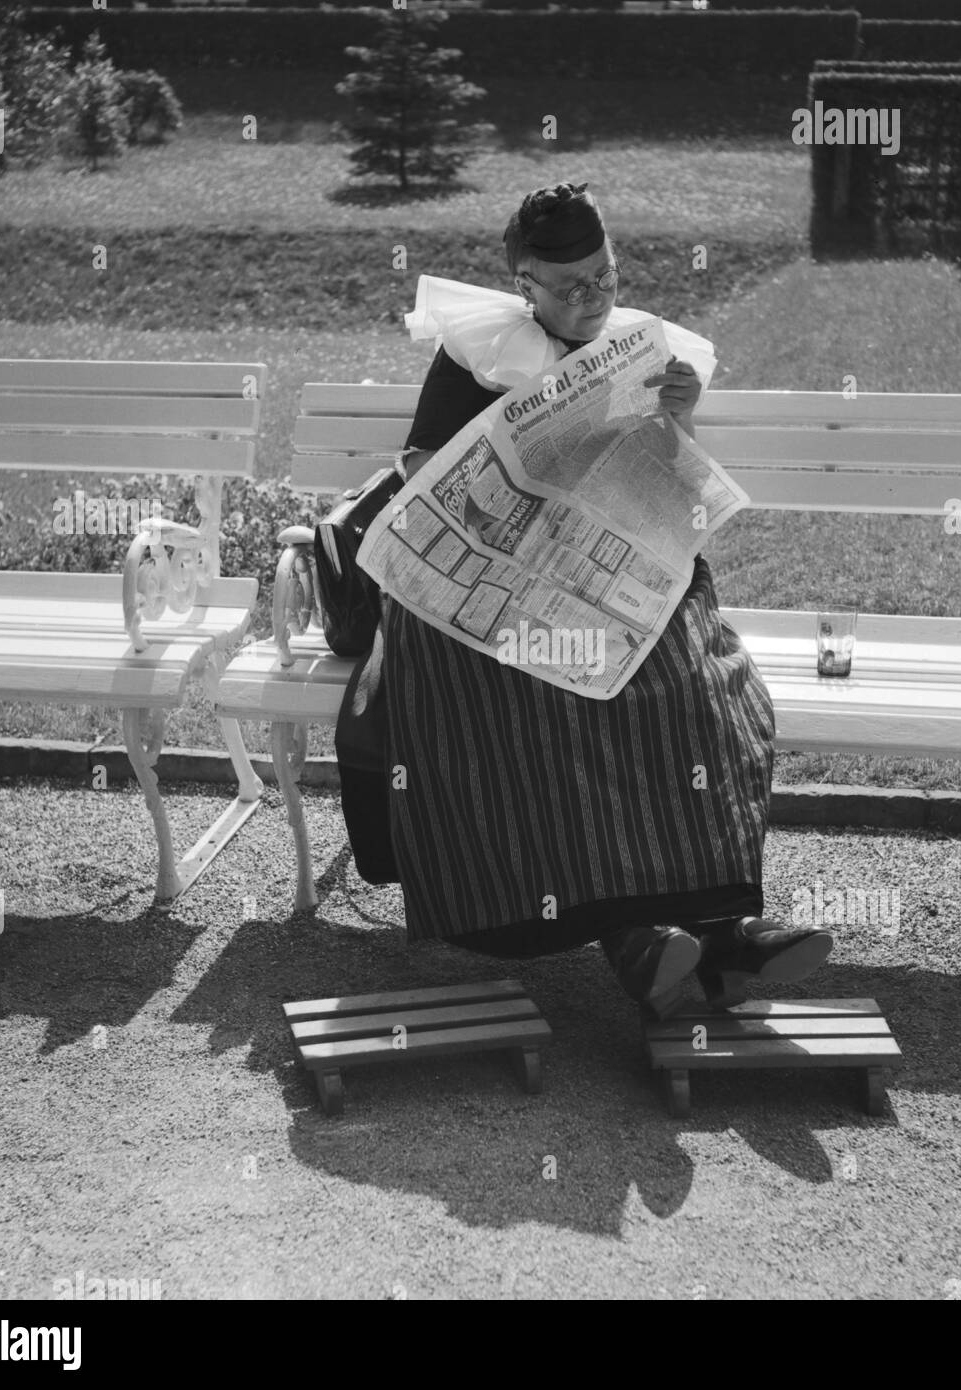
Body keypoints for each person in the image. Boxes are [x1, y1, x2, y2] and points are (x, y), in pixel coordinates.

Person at [368, 181, 833, 1017]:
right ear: (526, 286)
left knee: (691, 694)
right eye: (572, 286)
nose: (593, 299)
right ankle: (645, 941)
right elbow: (417, 480)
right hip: (489, 600)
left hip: (611, 575)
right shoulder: (478, 353)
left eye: (606, 278)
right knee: (546, 704)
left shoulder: (635, 349)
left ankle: (714, 924)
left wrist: (677, 421)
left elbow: (661, 485)